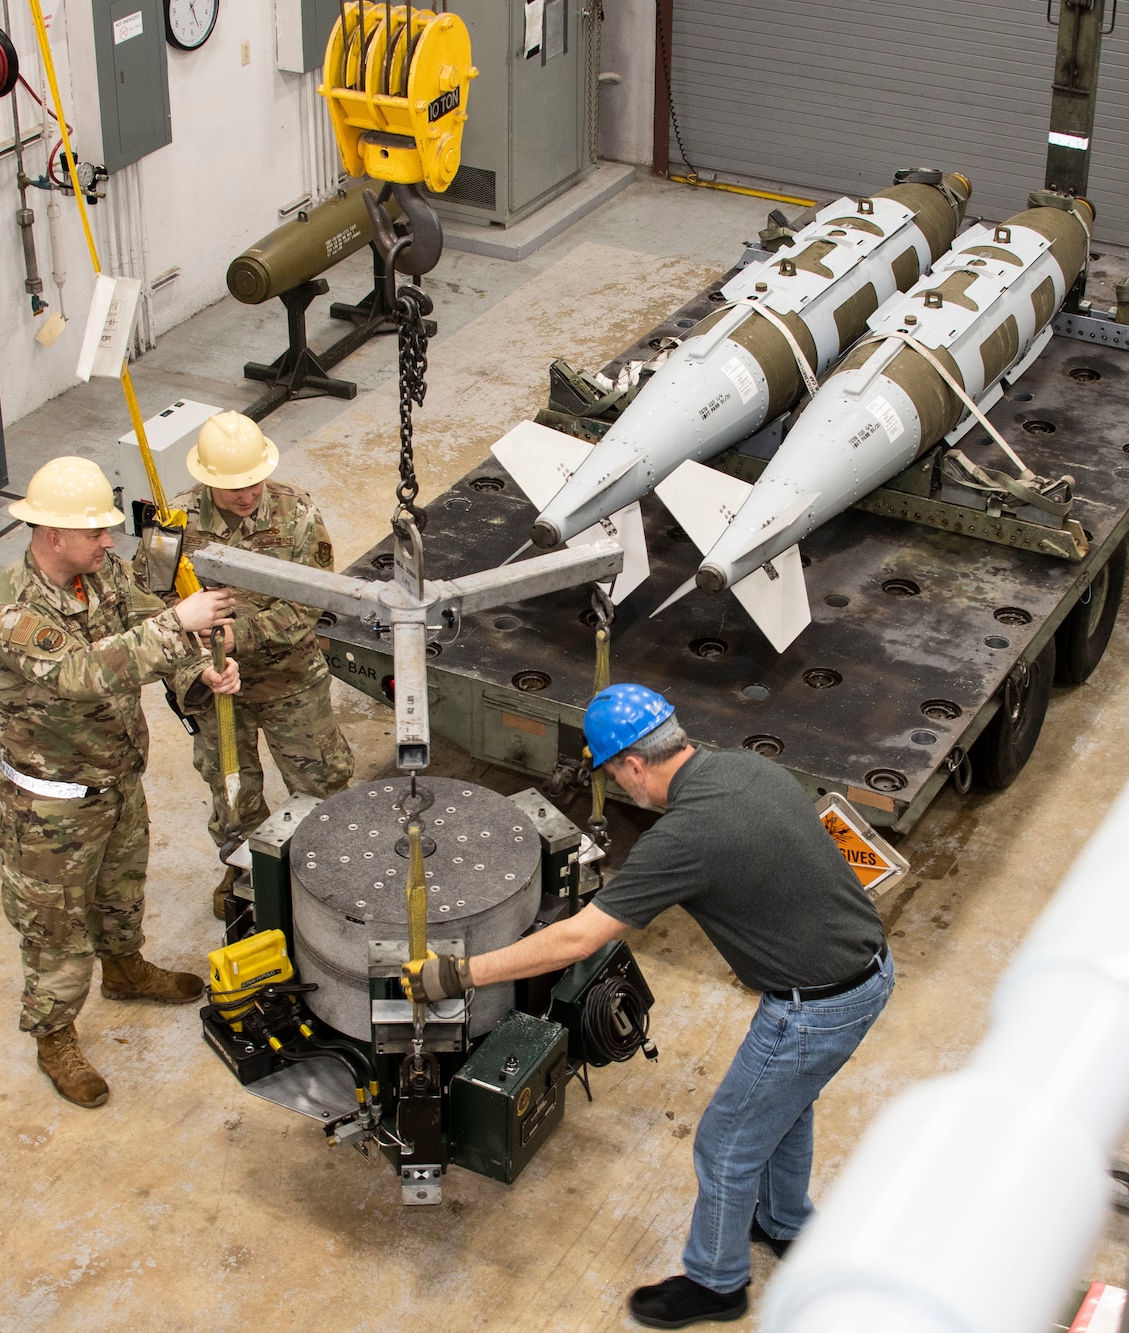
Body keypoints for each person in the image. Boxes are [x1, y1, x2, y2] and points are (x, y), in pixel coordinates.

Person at [404, 683, 892, 1327]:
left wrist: (456, 974)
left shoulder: (686, 836)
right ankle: (786, 1224)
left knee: (725, 1145)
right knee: (785, 1107)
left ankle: (717, 1286)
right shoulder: (749, 767)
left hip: (814, 1005)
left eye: (612, 775)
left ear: (634, 764)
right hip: (866, 970)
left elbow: (578, 937)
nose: (618, 788)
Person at [0, 456, 242, 1108]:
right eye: (95, 532)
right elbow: (83, 674)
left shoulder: (98, 574)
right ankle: (54, 1035)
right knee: (56, 931)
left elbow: (136, 616)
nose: (109, 542)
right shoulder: (13, 616)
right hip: (51, 806)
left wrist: (196, 669)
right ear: (50, 535)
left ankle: (123, 969)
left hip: (116, 776)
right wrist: (177, 625)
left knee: (121, 891)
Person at [140, 411, 354, 920]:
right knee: (232, 793)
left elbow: (315, 600)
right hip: (217, 692)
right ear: (205, 478)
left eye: (254, 481)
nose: (247, 494)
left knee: (322, 781)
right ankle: (247, 872)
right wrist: (196, 671)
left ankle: (333, 873)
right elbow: (147, 608)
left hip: (290, 682)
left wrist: (243, 635)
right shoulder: (174, 525)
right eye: (232, 486)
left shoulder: (295, 513)